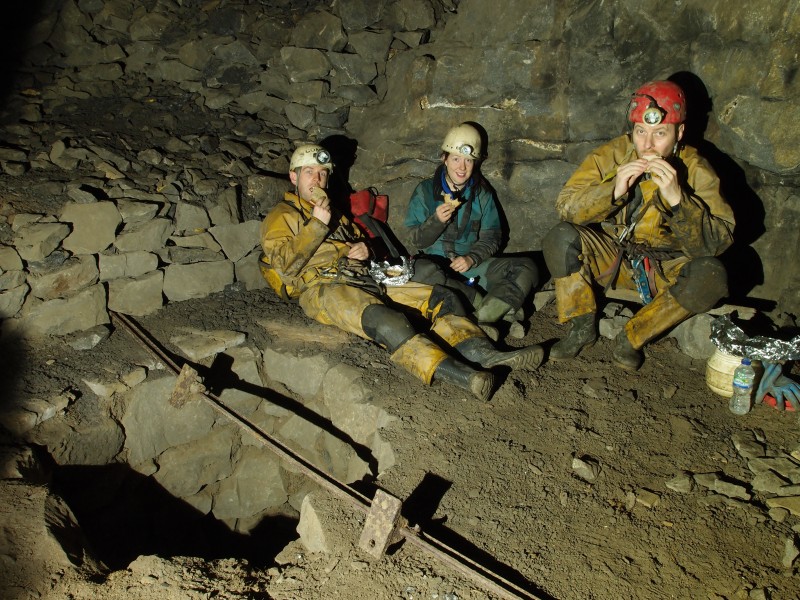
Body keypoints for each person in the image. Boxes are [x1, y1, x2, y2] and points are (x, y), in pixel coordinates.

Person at [259, 143, 544, 401]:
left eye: (322, 173)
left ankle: (487, 355)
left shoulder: (335, 213)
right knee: (386, 320)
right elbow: (284, 266)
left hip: (365, 278)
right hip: (323, 289)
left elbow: (362, 241)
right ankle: (466, 377)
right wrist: (317, 226)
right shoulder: (281, 215)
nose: (317, 179)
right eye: (309, 172)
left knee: (444, 298)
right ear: (294, 177)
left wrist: (364, 249)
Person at [542, 80, 735, 370]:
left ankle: (633, 337)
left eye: (660, 133)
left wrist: (678, 201)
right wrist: (613, 191)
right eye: (640, 132)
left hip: (665, 272)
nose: (648, 144)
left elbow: (717, 242)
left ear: (679, 133)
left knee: (711, 274)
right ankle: (582, 327)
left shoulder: (696, 168)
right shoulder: (613, 154)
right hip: (615, 260)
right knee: (560, 238)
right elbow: (566, 207)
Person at [403, 123, 539, 338]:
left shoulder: (482, 194)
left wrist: (472, 258)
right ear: (444, 158)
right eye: (456, 159)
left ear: (476, 162)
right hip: (436, 266)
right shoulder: (425, 191)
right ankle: (499, 310)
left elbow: (492, 235)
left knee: (527, 266)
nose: (462, 167)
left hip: (471, 267)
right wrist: (436, 221)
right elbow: (415, 240)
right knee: (420, 271)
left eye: (468, 160)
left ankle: (479, 320)